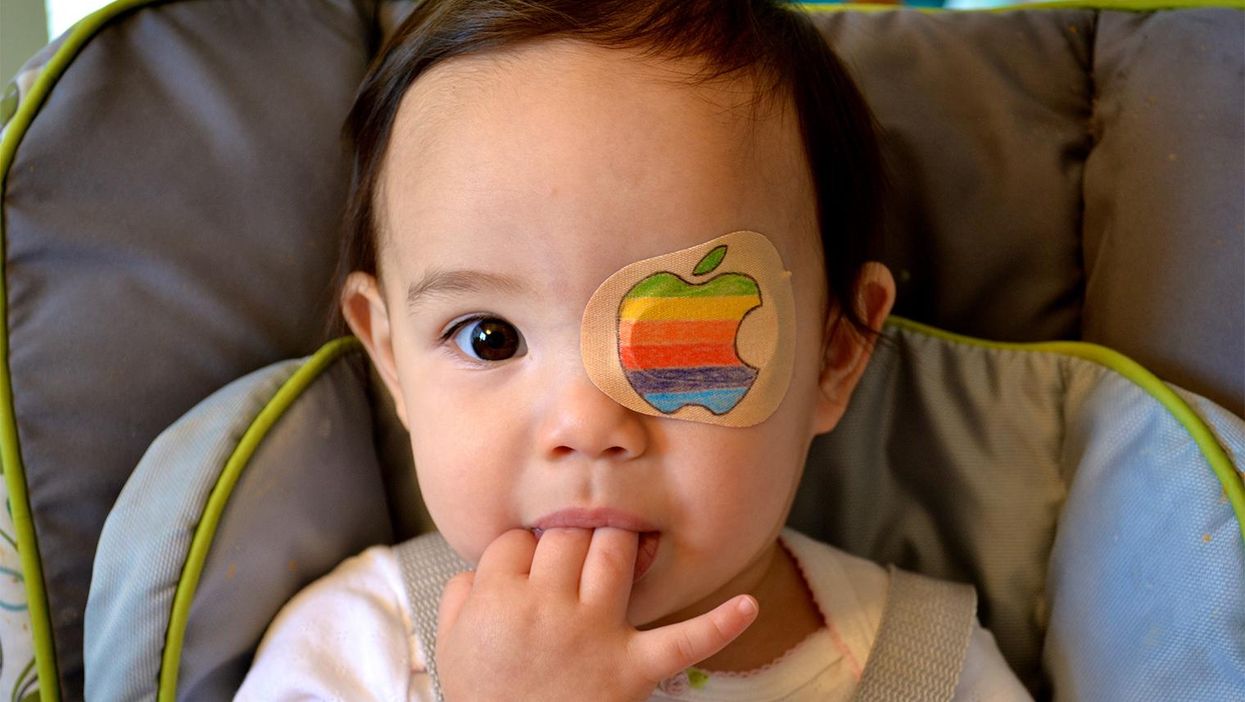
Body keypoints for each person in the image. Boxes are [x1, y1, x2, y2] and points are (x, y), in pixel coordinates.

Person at [237, 0, 1031, 699]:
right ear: (389, 356)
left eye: (686, 339)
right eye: (490, 338)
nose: (586, 423)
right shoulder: (359, 651)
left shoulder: (936, 668)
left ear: (832, 355)